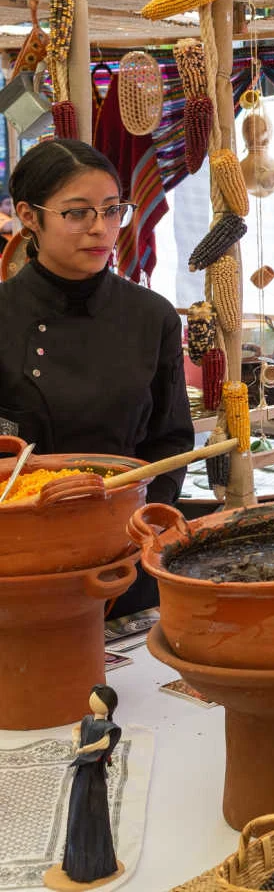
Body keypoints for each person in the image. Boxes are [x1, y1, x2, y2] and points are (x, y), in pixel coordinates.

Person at [0, 140, 192, 616]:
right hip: (22, 561)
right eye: (77, 213)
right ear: (29, 216)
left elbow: (170, 440)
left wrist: (146, 522)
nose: (100, 229)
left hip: (126, 554)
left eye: (112, 210)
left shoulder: (151, 316)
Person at [52, 685, 123, 887]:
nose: (92, 700)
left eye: (97, 698)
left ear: (107, 706)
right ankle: (76, 865)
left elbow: (104, 744)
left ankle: (93, 867)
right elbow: (76, 730)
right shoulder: (87, 721)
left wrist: (85, 749)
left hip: (94, 777)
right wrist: (76, 742)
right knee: (77, 814)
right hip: (82, 774)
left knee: (93, 816)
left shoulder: (109, 728)